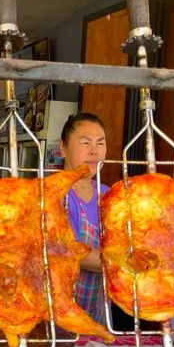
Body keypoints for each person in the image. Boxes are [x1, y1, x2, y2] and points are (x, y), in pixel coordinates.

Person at [59, 112, 108, 323]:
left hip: (97, 314)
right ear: (63, 148)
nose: (94, 151)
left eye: (100, 143)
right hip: (55, 318)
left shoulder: (109, 196)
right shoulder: (54, 193)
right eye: (85, 142)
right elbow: (68, 250)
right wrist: (126, 265)